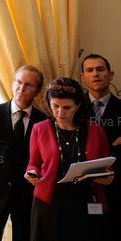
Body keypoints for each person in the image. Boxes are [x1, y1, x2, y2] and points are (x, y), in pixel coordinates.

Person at [25, 77, 114, 241]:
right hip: (49, 203)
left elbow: (107, 166)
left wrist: (107, 177)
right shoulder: (39, 129)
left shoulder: (96, 130)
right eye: (55, 106)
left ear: (78, 105)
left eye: (67, 107)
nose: (60, 112)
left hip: (87, 201)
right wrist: (32, 173)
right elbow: (33, 163)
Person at [0, 65, 47, 241]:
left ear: (38, 91)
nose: (21, 88)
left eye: (28, 85)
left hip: (26, 195)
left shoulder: (43, 121)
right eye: (19, 82)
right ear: (12, 83)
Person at [80, 54, 121, 238]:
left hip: (117, 189)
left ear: (110, 74)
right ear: (83, 77)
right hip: (81, 190)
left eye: (100, 69)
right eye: (89, 70)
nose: (95, 74)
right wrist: (114, 145)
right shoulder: (71, 109)